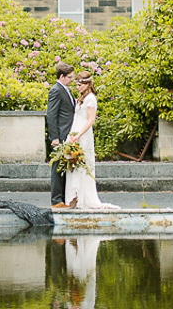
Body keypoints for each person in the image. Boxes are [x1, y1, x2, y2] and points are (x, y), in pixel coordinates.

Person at [65, 73, 119, 210]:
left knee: (83, 164)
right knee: (73, 163)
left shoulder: (90, 99)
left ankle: (84, 197)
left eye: (80, 85)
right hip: (75, 130)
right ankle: (74, 197)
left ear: (88, 84)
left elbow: (91, 120)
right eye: (77, 85)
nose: (78, 87)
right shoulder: (81, 98)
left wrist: (79, 135)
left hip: (83, 133)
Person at [47, 62, 76, 208]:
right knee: (57, 168)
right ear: (62, 76)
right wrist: (55, 137)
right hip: (60, 136)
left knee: (63, 167)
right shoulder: (56, 90)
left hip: (67, 134)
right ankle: (56, 200)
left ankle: (63, 198)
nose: (72, 79)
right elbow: (51, 115)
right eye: (70, 77)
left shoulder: (65, 90)